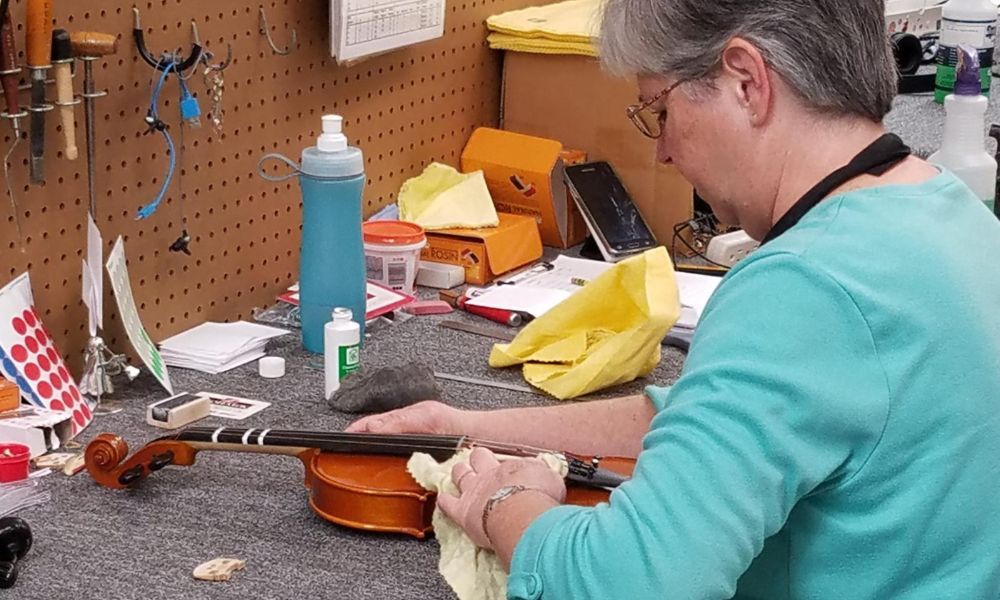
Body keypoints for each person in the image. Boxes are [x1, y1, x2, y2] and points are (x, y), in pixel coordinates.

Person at [348, 1, 1000, 597]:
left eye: (661, 109)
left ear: (747, 79)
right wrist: (466, 427)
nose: (660, 152)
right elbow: (705, 418)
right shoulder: (955, 215)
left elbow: (627, 583)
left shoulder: (805, 288)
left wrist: (506, 506)